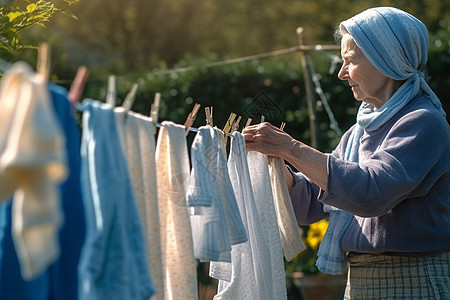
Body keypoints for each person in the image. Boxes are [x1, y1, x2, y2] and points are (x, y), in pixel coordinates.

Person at [242, 6, 450, 299]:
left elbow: (371, 191)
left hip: (412, 279)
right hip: (361, 281)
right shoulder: (360, 132)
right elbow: (310, 203)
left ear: (386, 61)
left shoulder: (423, 122)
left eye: (349, 61)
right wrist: (277, 164)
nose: (341, 73)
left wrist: (290, 147)